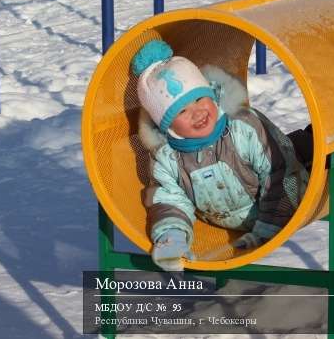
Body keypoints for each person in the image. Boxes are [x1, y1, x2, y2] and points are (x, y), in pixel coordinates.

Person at [132, 40, 313, 271]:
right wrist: (172, 236)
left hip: (289, 188)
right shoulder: (166, 157)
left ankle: (315, 141)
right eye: (182, 111)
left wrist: (269, 226)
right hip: (229, 216)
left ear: (210, 93)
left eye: (199, 98)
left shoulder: (243, 128)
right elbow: (169, 199)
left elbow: (280, 172)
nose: (197, 112)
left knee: (305, 151)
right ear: (166, 125)